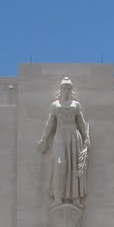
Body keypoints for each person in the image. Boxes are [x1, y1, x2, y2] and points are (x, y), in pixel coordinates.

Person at [38, 77, 91, 207]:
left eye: (68, 88)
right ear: (61, 90)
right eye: (64, 88)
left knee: (74, 166)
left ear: (71, 90)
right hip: (60, 135)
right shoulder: (55, 105)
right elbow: (50, 123)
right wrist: (44, 138)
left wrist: (87, 137)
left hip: (74, 135)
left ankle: (76, 198)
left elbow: (82, 122)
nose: (66, 90)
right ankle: (58, 197)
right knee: (60, 165)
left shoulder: (76, 105)